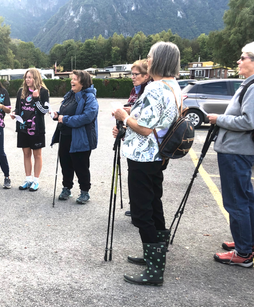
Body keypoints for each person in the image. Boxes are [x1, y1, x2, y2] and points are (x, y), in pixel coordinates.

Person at [112, 41, 180, 286]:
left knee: (142, 212)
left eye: (150, 57)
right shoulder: (173, 86)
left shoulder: (154, 89)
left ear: (159, 60)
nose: (147, 60)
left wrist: (124, 117)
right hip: (158, 156)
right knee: (154, 204)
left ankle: (154, 269)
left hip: (143, 156)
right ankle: (156, 255)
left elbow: (144, 128)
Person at [207, 41, 254, 268]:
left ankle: (243, 252)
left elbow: (249, 121)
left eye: (243, 57)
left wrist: (219, 119)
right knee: (244, 199)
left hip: (237, 150)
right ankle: (247, 242)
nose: (239, 61)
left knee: (236, 201)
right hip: (240, 149)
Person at [52, 70, 98, 204]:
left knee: (81, 166)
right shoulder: (70, 95)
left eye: (75, 79)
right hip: (65, 136)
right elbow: (65, 112)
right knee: (65, 164)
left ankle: (85, 192)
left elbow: (87, 117)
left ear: (83, 82)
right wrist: (57, 115)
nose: (71, 81)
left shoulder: (89, 98)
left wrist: (65, 119)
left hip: (80, 138)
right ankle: (67, 188)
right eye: (72, 79)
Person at [12, 68, 50, 191]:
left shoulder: (43, 92)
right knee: (26, 154)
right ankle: (28, 179)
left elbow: (44, 111)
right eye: (26, 77)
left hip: (36, 129)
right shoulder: (21, 91)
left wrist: (36, 99)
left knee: (37, 155)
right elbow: (18, 108)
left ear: (36, 78)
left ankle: (36, 181)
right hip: (23, 128)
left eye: (30, 77)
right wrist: (14, 113)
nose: (27, 79)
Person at [125, 60, 152, 216]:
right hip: (132, 139)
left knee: (142, 181)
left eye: (136, 74)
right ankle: (135, 206)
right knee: (133, 177)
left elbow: (142, 119)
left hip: (144, 143)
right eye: (132, 74)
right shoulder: (134, 90)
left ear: (146, 75)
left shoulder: (148, 91)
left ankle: (141, 211)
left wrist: (126, 115)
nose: (133, 77)